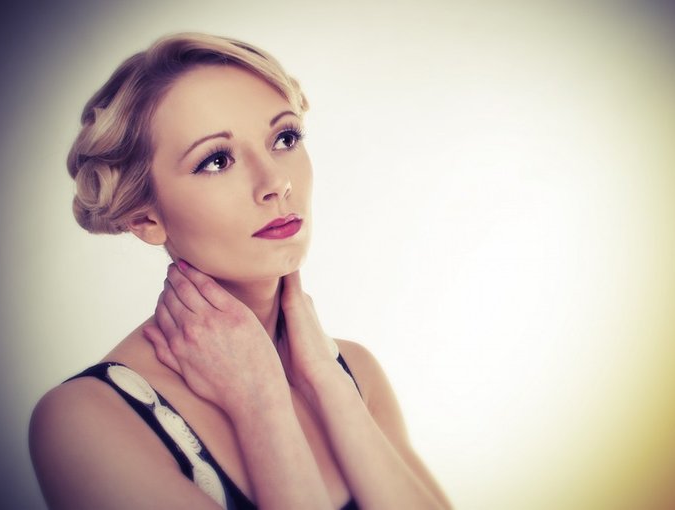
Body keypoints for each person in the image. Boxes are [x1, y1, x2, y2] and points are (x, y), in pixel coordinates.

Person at [29, 32, 451, 510]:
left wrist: (327, 384)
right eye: (216, 160)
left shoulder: (353, 373)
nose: (276, 182)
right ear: (145, 218)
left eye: (284, 138)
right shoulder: (87, 421)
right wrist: (260, 403)